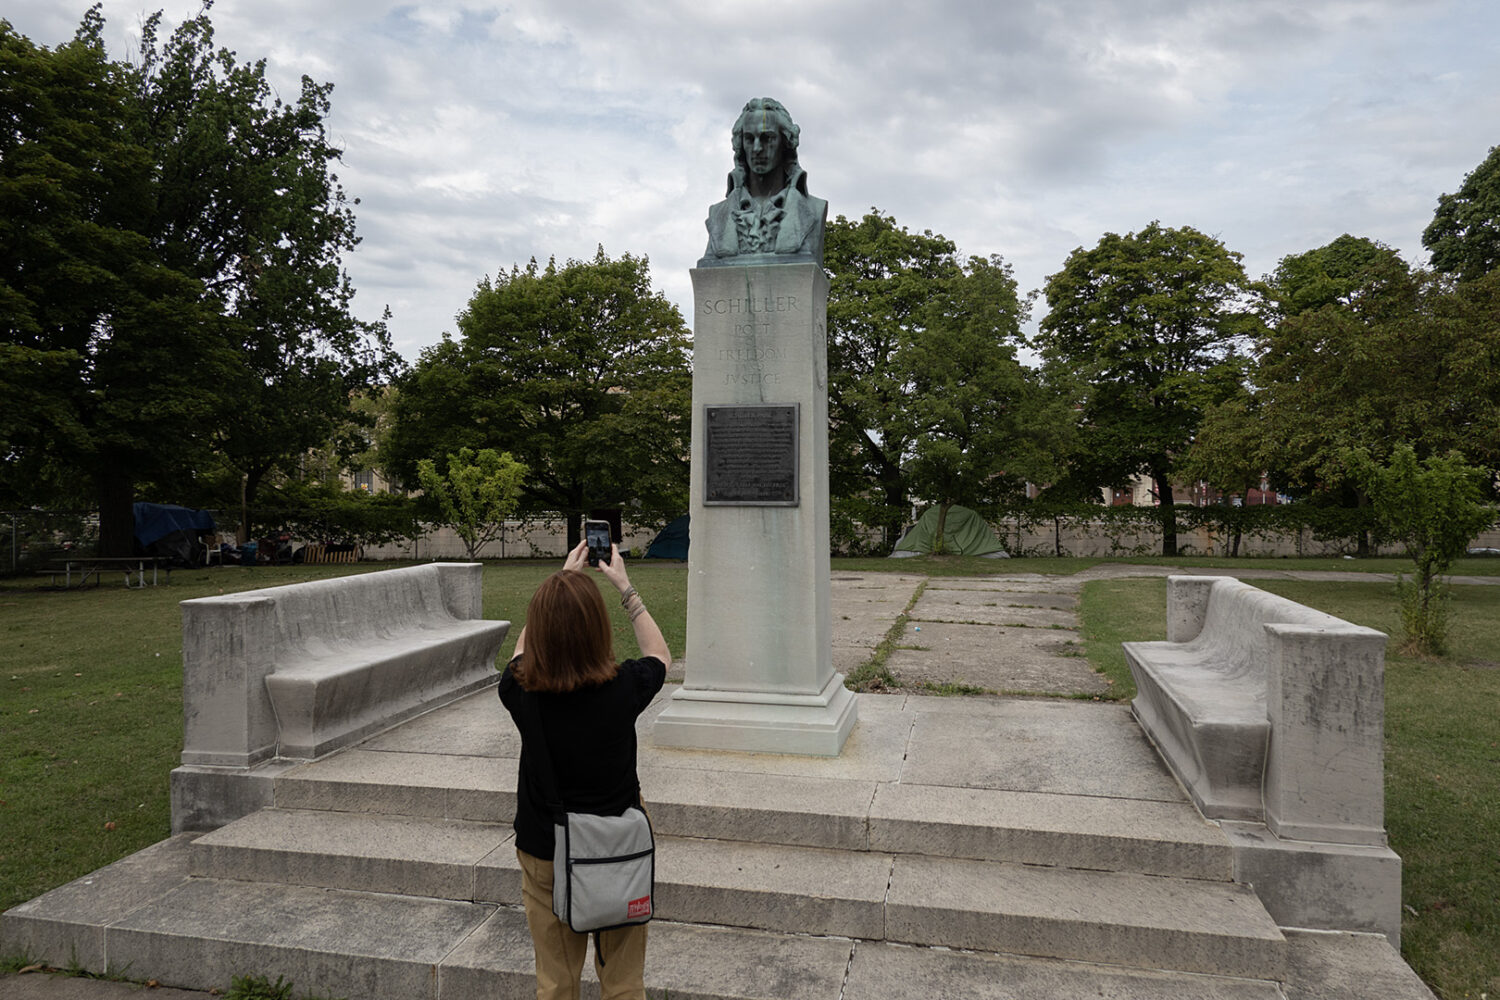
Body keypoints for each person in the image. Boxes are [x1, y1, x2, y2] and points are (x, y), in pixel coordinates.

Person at [498, 538, 670, 1000]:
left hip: (545, 846)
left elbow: (521, 653)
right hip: (619, 846)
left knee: (555, 983)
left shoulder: (519, 691)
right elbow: (661, 657)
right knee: (624, 984)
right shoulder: (624, 687)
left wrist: (563, 580)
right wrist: (625, 588)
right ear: (598, 629)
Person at [700, 97, 828, 265]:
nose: (757, 148)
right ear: (741, 144)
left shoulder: (814, 208)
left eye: (767, 138)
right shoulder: (718, 213)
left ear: (785, 143)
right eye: (749, 139)